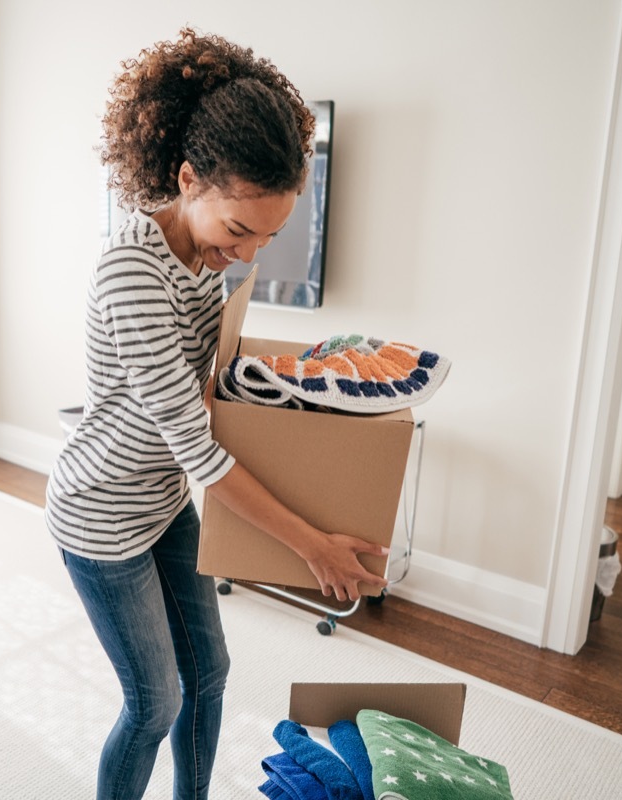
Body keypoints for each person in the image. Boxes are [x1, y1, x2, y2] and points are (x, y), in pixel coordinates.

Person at [44, 28, 389, 800]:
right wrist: (314, 550)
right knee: (155, 701)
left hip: (162, 502)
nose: (248, 252)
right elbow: (200, 449)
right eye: (238, 230)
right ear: (189, 177)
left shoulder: (215, 258)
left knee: (211, 677)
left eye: (268, 235)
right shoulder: (131, 269)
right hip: (100, 515)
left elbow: (219, 383)